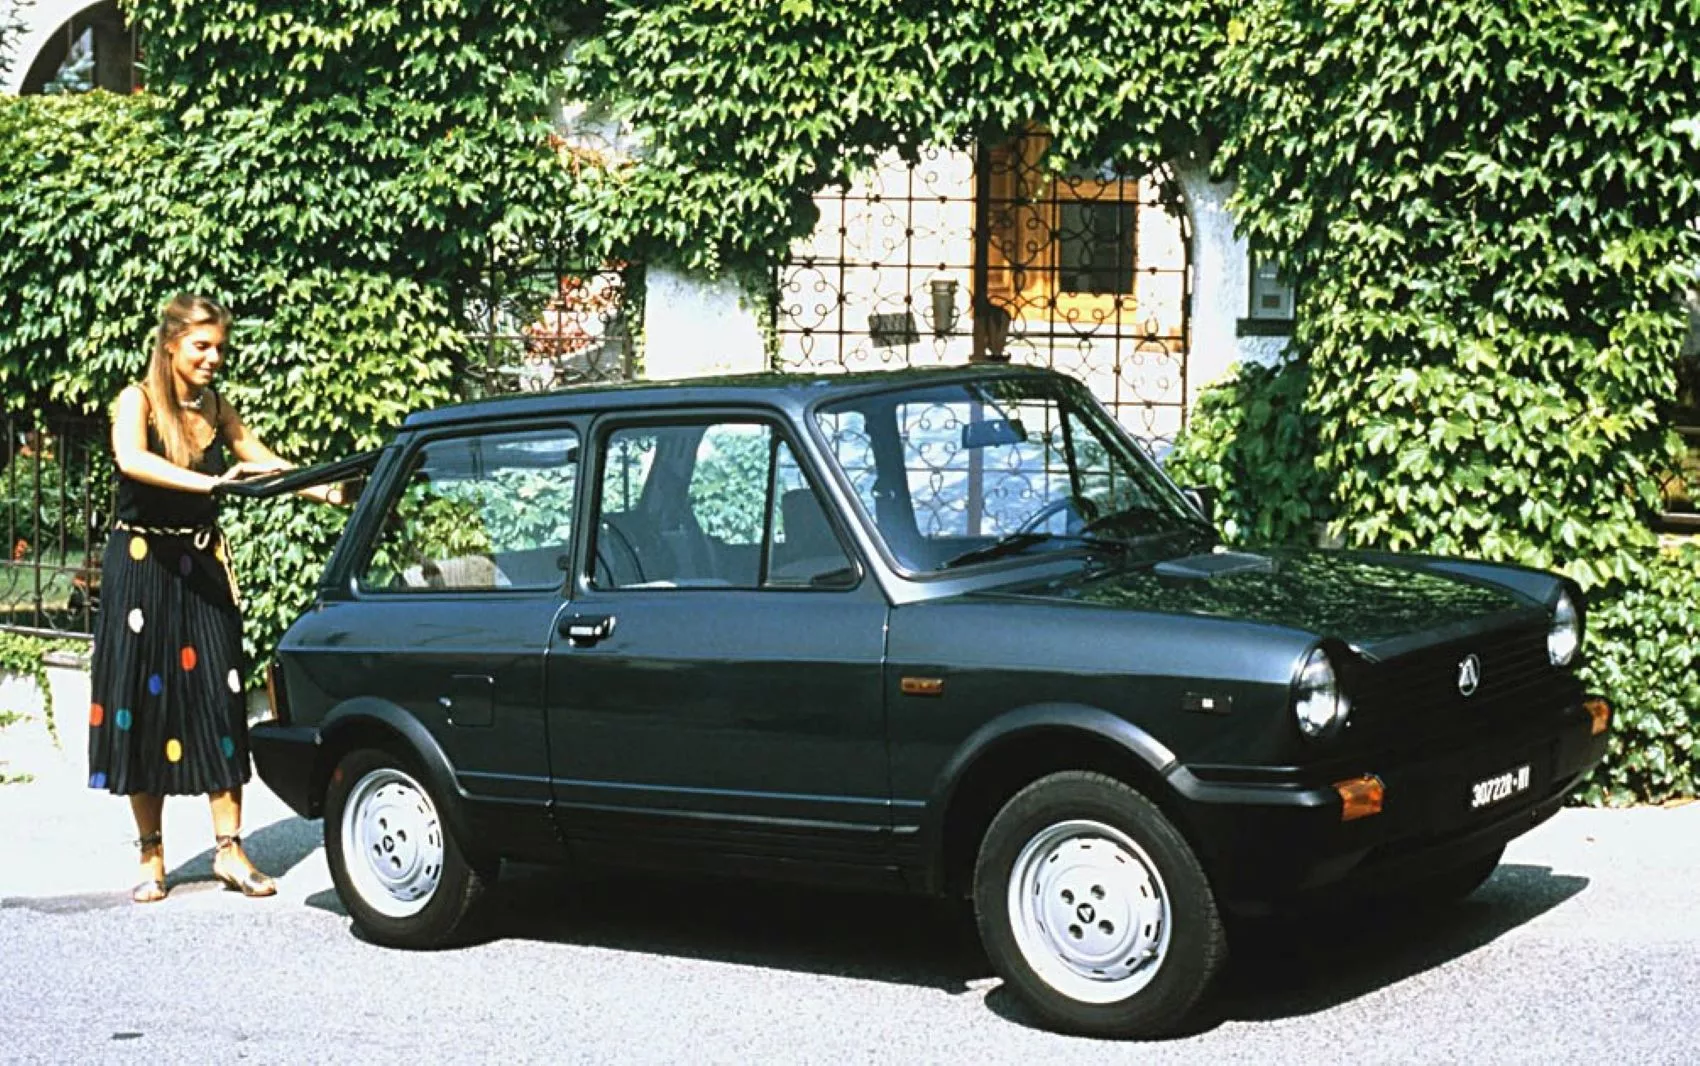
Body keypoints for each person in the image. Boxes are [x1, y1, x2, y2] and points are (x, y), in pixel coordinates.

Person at [87, 292, 337, 903]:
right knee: (141, 702)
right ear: (171, 345)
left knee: (218, 697)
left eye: (220, 347)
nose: (213, 357)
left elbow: (259, 462)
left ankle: (229, 851)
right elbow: (132, 459)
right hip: (141, 567)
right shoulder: (137, 401)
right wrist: (208, 481)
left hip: (200, 565)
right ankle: (152, 857)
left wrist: (325, 491)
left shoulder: (216, 406)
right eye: (202, 346)